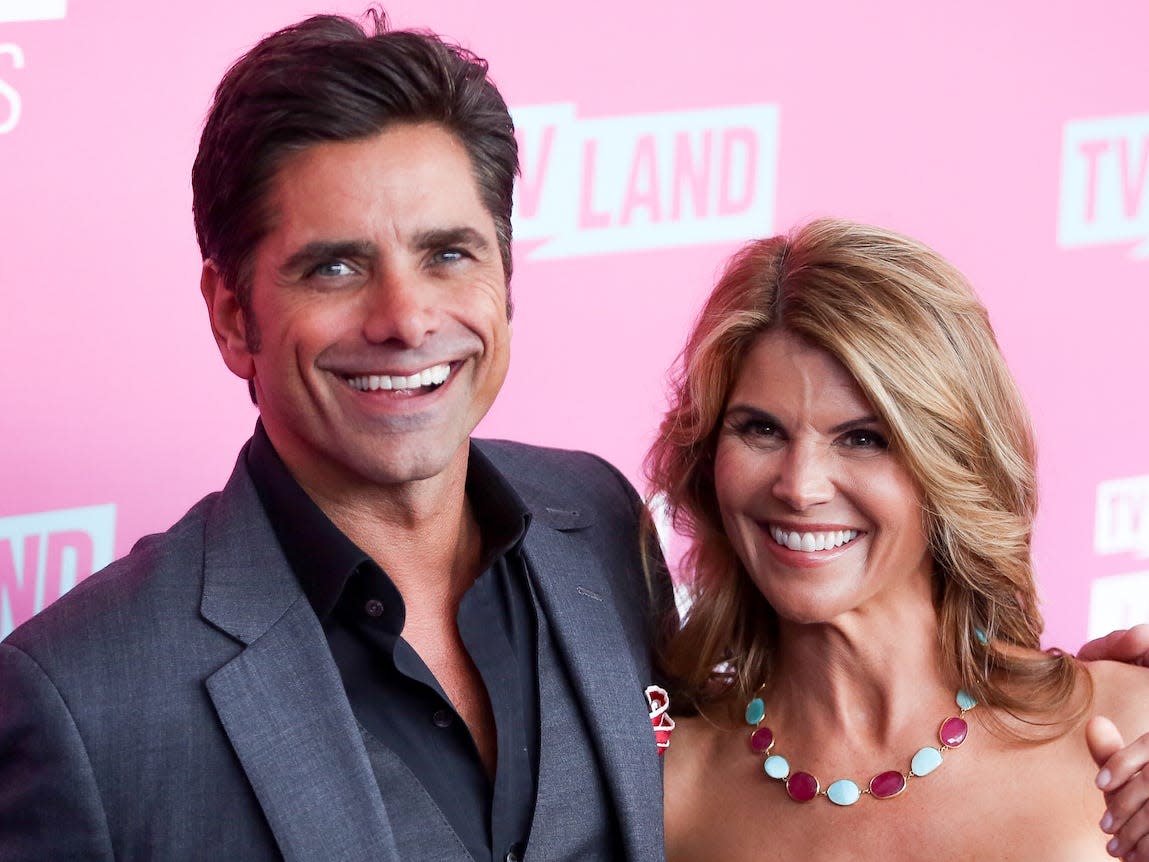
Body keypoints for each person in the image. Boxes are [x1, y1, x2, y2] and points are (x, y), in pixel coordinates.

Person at [0, 11, 670, 861]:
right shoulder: (85, 700)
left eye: (448, 254)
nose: (405, 318)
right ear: (233, 314)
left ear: (506, 277)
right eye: (337, 267)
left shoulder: (602, 524)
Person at [646, 218, 1149, 860]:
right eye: (760, 429)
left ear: (950, 464)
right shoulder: (668, 792)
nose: (800, 487)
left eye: (863, 438)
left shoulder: (1129, 727)